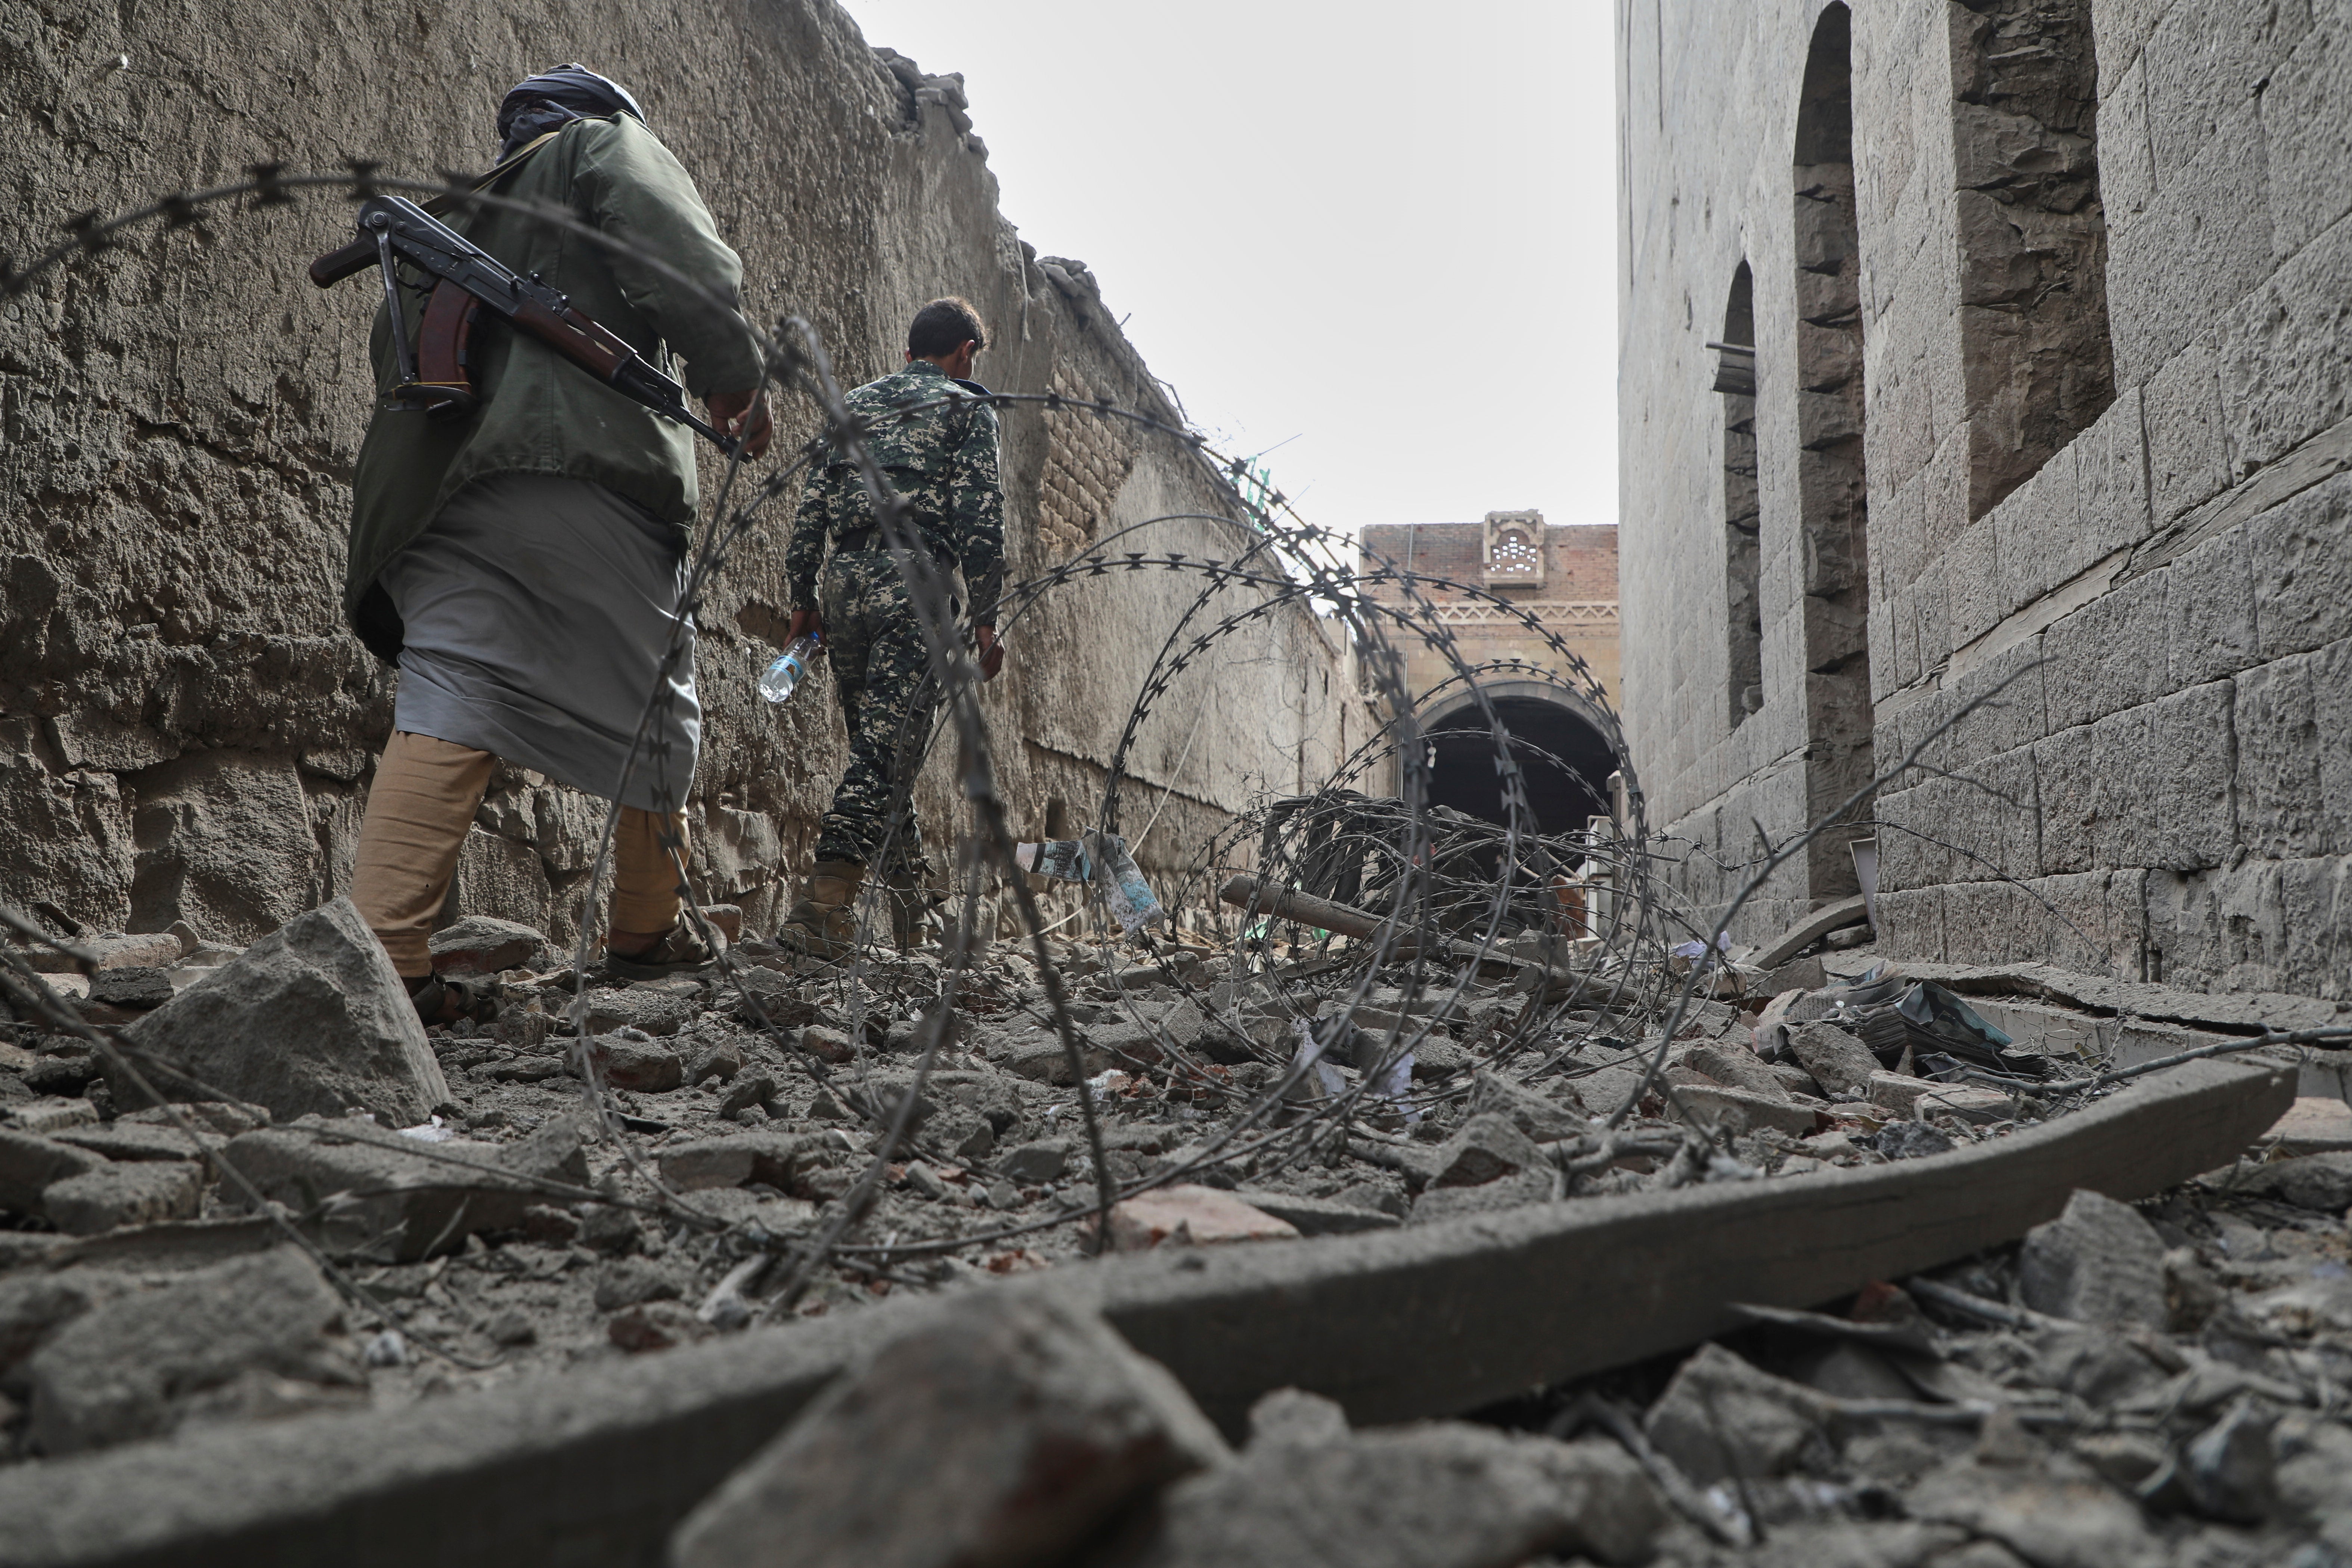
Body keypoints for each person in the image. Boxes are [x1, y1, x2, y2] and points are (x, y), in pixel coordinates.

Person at [342, 65, 772, 1022]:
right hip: (577, 466)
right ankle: (646, 931)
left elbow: (396, 353)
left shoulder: (453, 220)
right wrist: (732, 382)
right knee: (657, 703)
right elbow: (680, 256)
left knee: (452, 684)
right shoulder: (600, 145)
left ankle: (385, 954)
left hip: (432, 500)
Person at [776, 297, 1005, 957]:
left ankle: (910, 917)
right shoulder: (965, 406)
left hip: (844, 582)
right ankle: (821, 907)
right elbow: (979, 518)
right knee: (881, 754)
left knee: (888, 753)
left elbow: (810, 507)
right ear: (964, 352)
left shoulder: (856, 404)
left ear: (909, 352)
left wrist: (802, 596)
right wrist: (986, 619)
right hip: (916, 583)